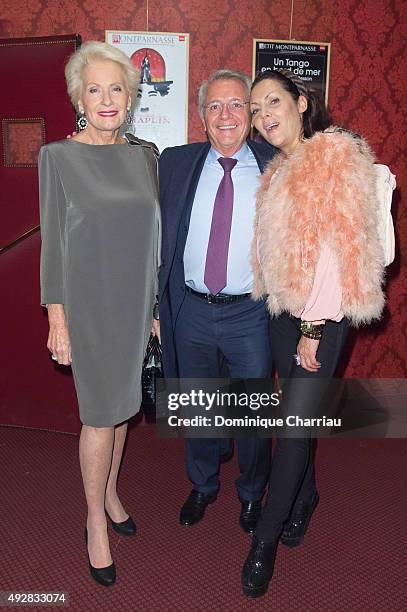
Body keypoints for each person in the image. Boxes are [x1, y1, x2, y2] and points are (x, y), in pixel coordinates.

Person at [241, 68, 385, 598]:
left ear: (302, 102)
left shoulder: (334, 155)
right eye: (256, 109)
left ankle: (265, 539)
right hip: (284, 313)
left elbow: (336, 250)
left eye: (272, 101)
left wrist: (313, 328)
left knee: (295, 428)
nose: (263, 116)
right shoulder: (279, 168)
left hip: (317, 319)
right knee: (295, 416)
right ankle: (305, 498)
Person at [38, 41, 160, 587]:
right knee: (99, 413)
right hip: (88, 304)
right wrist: (56, 317)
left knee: (124, 405)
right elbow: (53, 247)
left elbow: (154, 240)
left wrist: (155, 307)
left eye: (117, 88)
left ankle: (111, 493)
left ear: (131, 97)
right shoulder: (58, 157)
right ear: (78, 98)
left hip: (135, 303)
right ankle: (93, 520)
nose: (107, 99)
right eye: (95, 89)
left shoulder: (146, 155)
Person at [159, 70, 277, 532]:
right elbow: (152, 233)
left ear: (249, 112)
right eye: (214, 106)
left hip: (250, 311)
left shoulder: (278, 165)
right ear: (202, 116)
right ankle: (204, 485)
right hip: (189, 309)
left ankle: (251, 493)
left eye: (235, 105)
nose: (225, 115)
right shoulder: (175, 162)